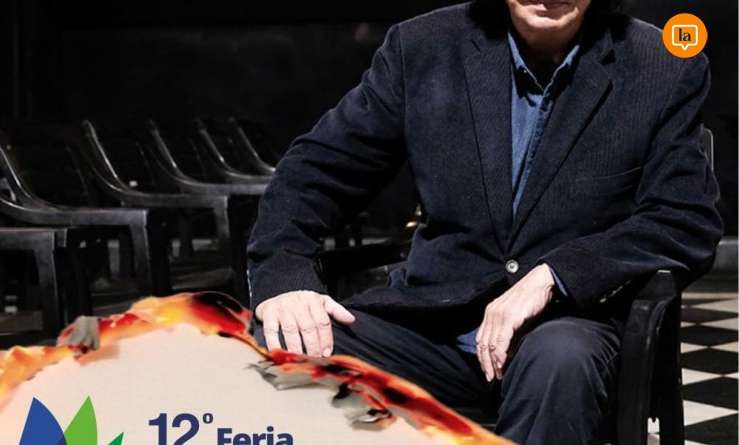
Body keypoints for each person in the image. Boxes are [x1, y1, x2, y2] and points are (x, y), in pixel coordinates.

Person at [246, 0, 723, 443]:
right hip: (432, 326)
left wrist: (555, 275)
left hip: (566, 328)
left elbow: (684, 218)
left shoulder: (661, 63)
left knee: (560, 360)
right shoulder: (422, 47)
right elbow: (315, 173)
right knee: (270, 344)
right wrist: (286, 274)